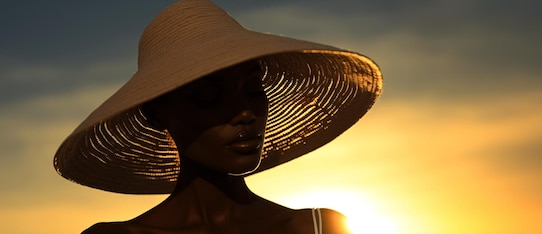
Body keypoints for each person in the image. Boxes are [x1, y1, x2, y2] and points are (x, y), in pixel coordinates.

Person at [53, 0, 382, 233]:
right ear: (157, 113)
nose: (244, 112)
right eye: (209, 95)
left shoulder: (321, 228)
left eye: (253, 89)